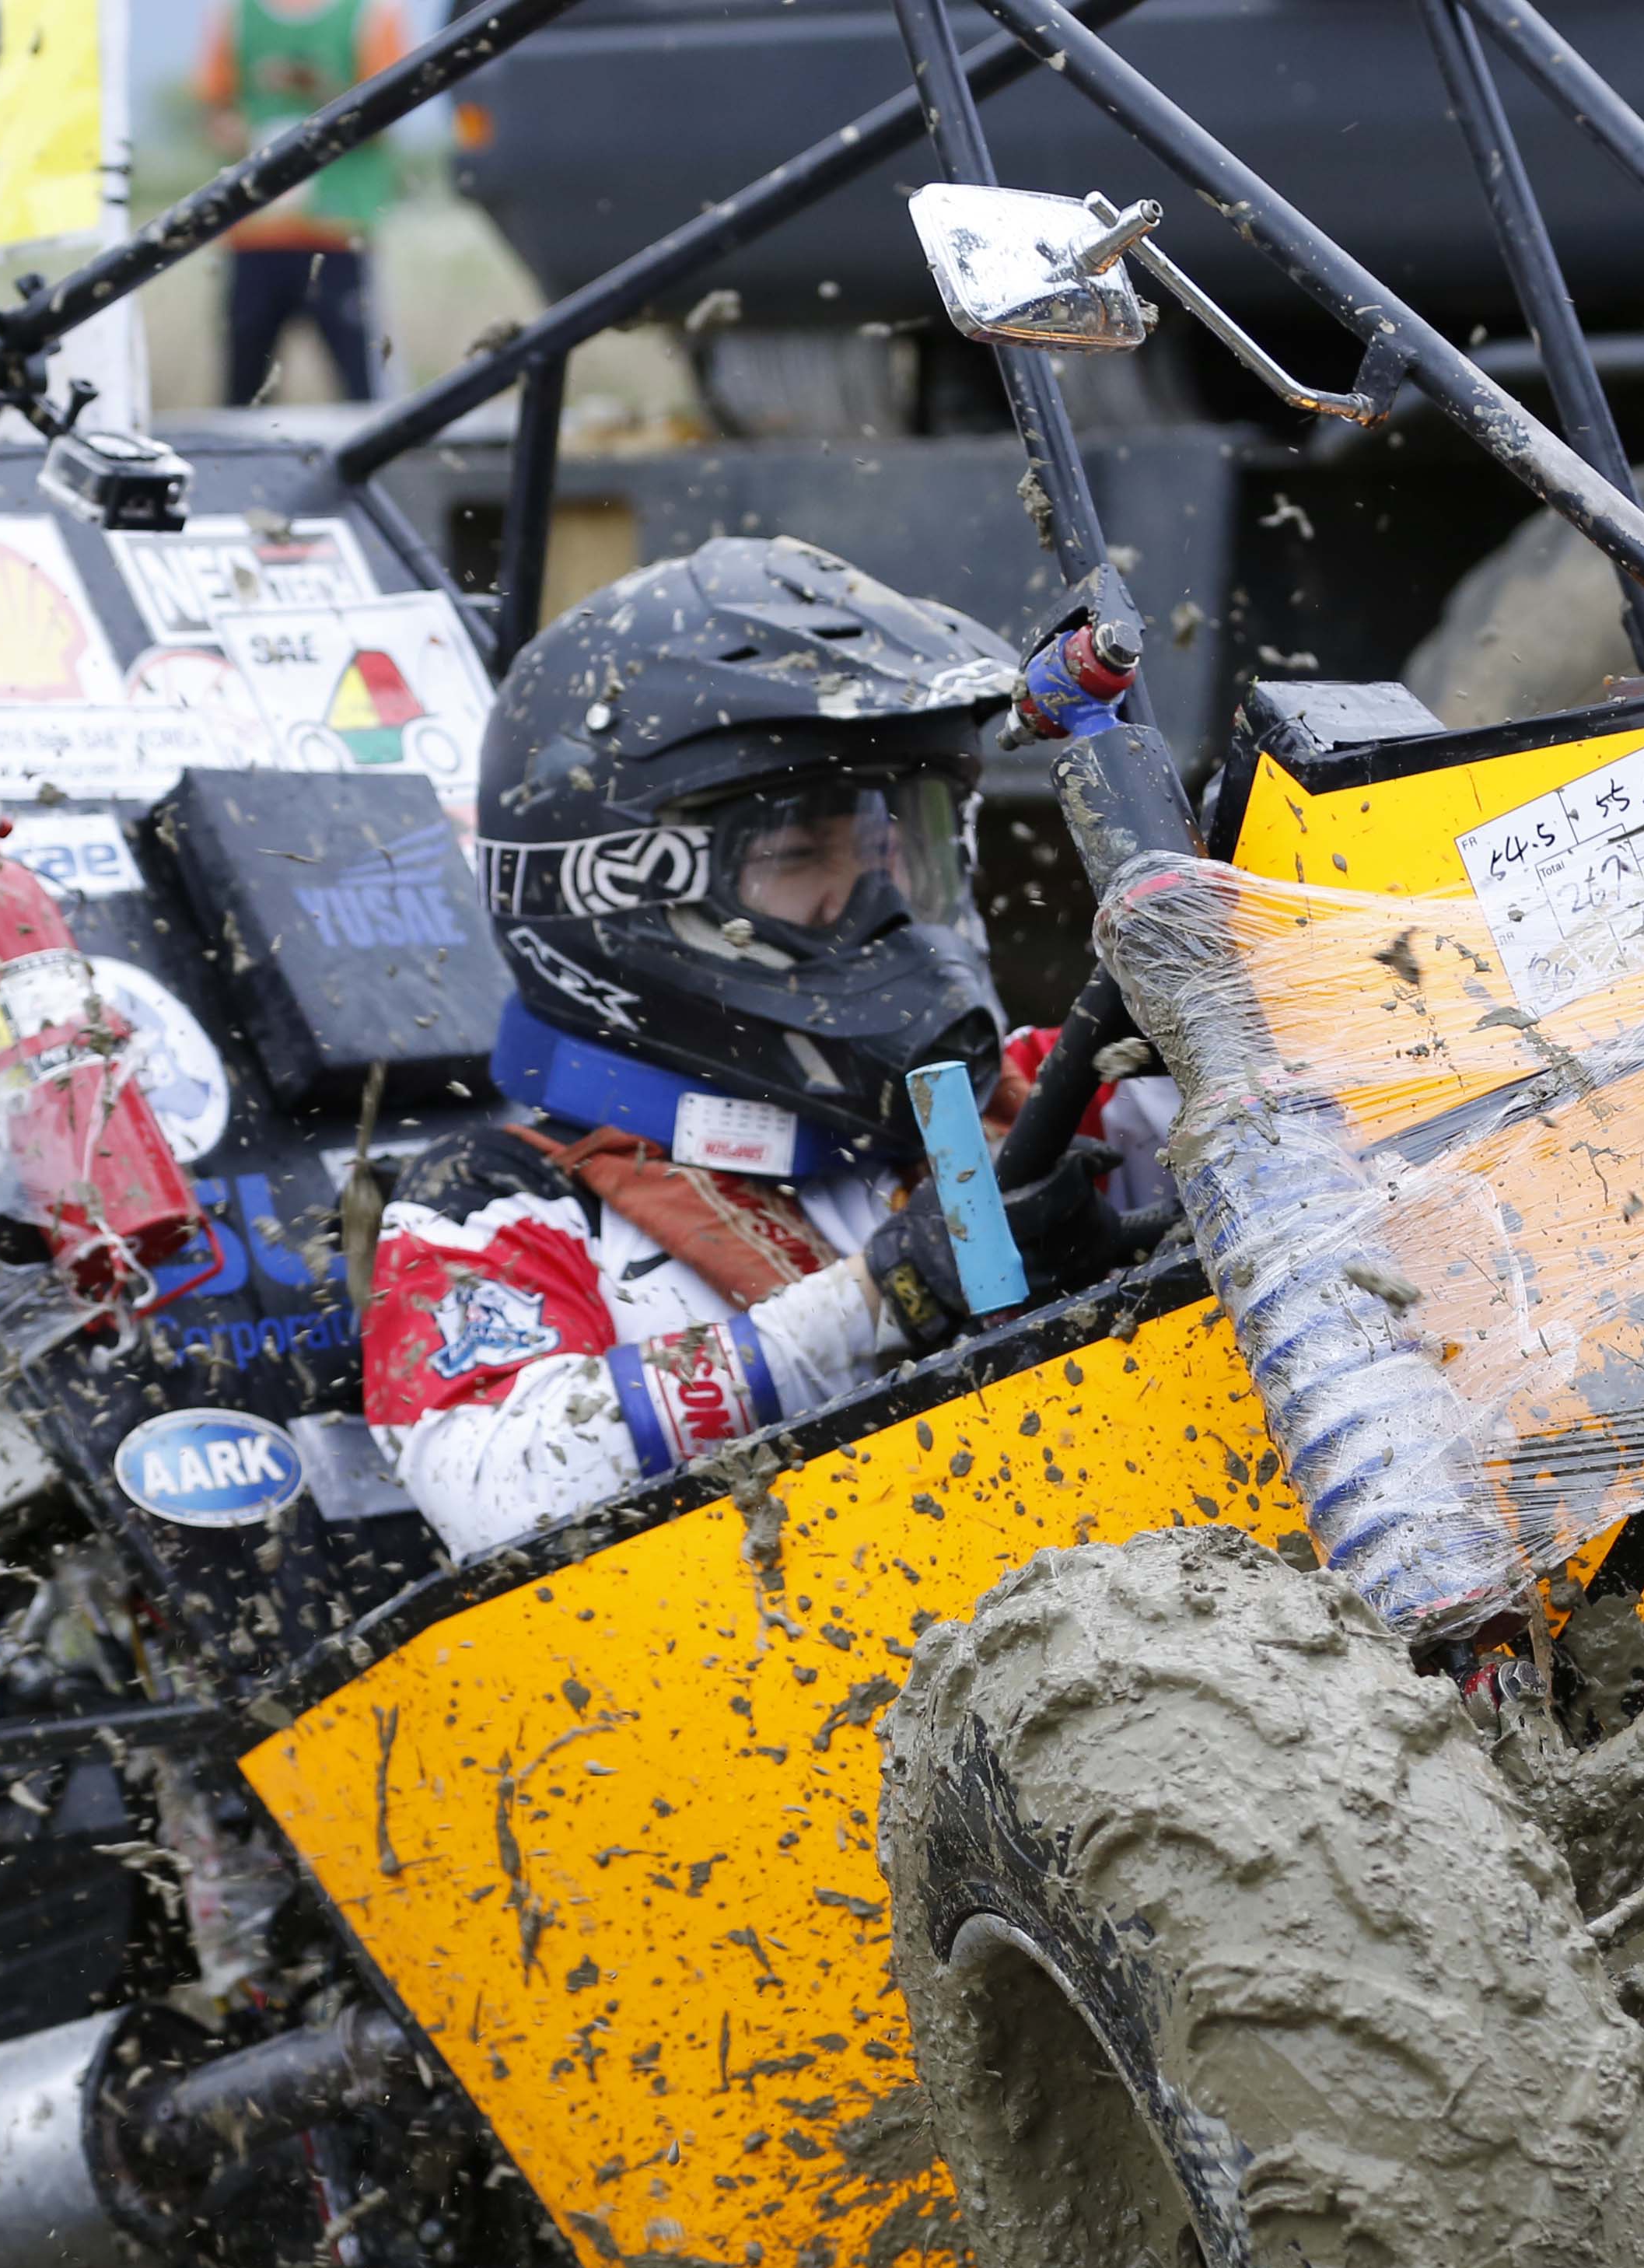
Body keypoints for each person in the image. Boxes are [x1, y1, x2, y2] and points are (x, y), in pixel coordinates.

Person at [361, 537, 1141, 1562]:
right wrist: (880, 1296)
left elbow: (1308, 1094)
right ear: (624, 889)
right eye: (797, 854)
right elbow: (498, 1488)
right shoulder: (496, 1202)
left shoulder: (1018, 1103)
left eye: (889, 844)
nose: (874, 902)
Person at [198, 0, 412, 406]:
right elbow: (215, 111)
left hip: (339, 234)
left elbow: (392, 114)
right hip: (256, 237)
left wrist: (321, 94)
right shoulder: (233, 13)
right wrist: (237, 132)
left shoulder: (372, 12)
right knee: (242, 398)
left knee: (365, 394)